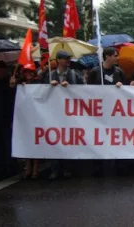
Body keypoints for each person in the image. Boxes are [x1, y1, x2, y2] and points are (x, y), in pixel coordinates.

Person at [87, 47, 125, 176]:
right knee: (99, 137)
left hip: (115, 112)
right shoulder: (95, 71)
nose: (117, 58)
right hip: (99, 112)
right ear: (107, 56)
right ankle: (97, 165)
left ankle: (116, 163)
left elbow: (127, 91)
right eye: (115, 55)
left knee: (114, 137)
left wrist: (122, 86)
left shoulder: (119, 71)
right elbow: (87, 90)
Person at [46, 51, 83, 179]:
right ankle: (55, 169)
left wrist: (72, 87)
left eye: (68, 58)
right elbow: (39, 90)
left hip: (70, 114)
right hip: (54, 113)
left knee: (69, 140)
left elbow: (84, 90)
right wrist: (49, 86)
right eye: (65, 58)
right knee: (54, 140)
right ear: (58, 60)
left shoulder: (74, 75)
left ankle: (68, 168)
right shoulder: (50, 75)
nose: (68, 61)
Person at [9, 67, 40, 179]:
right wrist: (12, 85)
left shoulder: (39, 84)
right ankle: (28, 167)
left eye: (31, 72)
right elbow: (12, 98)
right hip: (23, 118)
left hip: (36, 117)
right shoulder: (19, 85)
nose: (29, 74)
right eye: (26, 72)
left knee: (36, 142)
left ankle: (35, 168)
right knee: (26, 142)